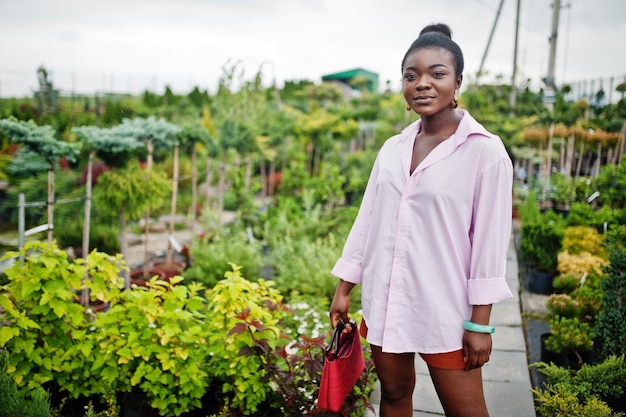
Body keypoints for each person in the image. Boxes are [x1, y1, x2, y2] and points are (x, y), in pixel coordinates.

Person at [329, 23, 513, 417]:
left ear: (458, 82)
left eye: (437, 73)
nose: (422, 84)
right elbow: (367, 223)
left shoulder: (485, 153)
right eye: (411, 76)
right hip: (386, 301)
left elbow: (489, 245)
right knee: (393, 396)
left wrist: (480, 325)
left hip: (446, 309)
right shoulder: (392, 149)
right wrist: (344, 288)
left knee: (465, 411)